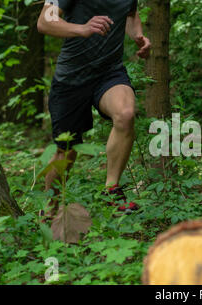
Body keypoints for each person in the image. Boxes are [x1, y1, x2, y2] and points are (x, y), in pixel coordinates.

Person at [37, 0, 151, 219]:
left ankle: (111, 191)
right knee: (66, 150)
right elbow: (44, 21)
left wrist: (139, 36)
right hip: (72, 77)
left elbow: (130, 14)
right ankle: (49, 210)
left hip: (109, 72)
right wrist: (82, 28)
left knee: (126, 114)